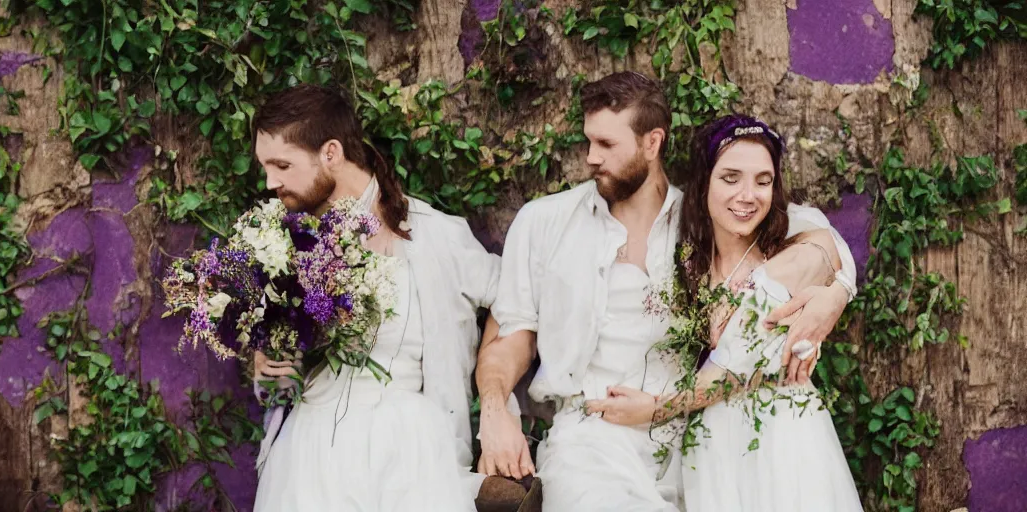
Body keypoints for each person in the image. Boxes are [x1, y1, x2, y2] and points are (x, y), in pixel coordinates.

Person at [475, 72, 858, 511]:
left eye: (606, 145)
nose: (590, 158)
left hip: (691, 442)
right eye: (589, 142)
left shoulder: (709, 218)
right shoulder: (543, 222)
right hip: (591, 439)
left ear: (652, 143)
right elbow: (510, 337)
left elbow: (816, 240)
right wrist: (495, 408)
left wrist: (837, 294)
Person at [584, 114, 864, 511]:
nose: (748, 195)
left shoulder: (792, 248)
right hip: (712, 445)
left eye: (762, 181)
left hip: (785, 440)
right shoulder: (684, 258)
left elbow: (738, 364)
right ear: (704, 184)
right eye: (731, 178)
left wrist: (837, 293)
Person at [249, 84, 503, 511]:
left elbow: (514, 303)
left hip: (412, 450)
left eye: (282, 165)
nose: (270, 182)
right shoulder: (283, 245)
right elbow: (284, 371)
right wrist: (269, 361)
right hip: (311, 453)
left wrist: (495, 396)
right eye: (265, 167)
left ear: (331, 152)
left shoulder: (434, 234)